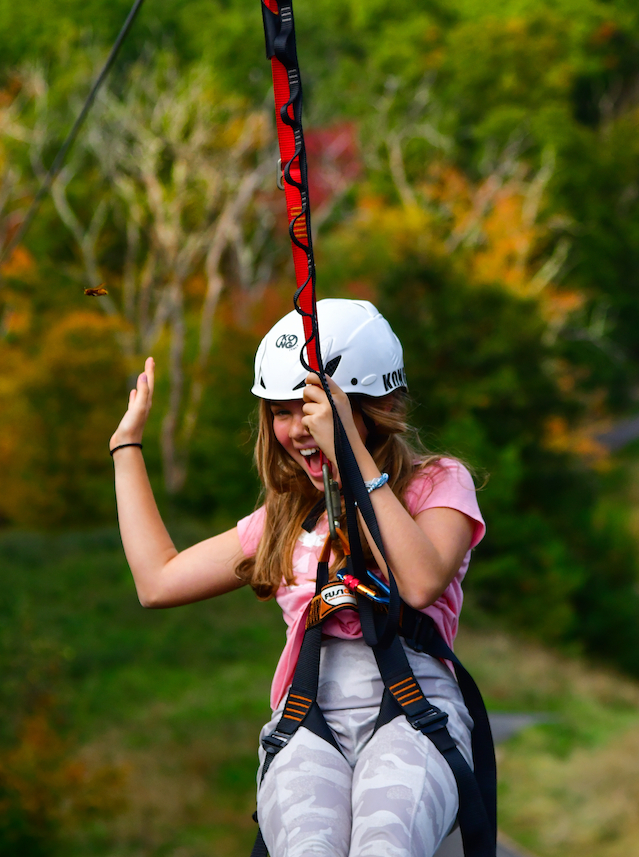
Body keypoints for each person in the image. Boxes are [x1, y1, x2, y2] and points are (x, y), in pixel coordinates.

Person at [109, 298, 486, 857]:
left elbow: (421, 582)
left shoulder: (437, 485)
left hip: (415, 707)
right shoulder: (285, 517)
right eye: (282, 414)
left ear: (372, 408)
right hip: (308, 714)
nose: (298, 430)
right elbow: (157, 581)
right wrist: (126, 447)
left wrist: (350, 456)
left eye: (312, 411)